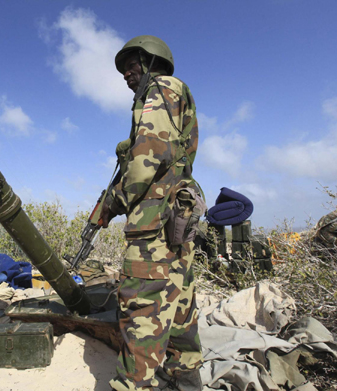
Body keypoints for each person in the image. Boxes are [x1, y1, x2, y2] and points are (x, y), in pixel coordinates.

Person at [100, 35, 204, 391]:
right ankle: (185, 379)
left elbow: (147, 161)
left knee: (141, 310)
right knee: (178, 303)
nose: (126, 75)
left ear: (150, 62)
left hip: (153, 226)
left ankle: (133, 385)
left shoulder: (161, 88)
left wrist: (110, 204)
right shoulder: (174, 93)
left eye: (131, 66)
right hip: (173, 220)